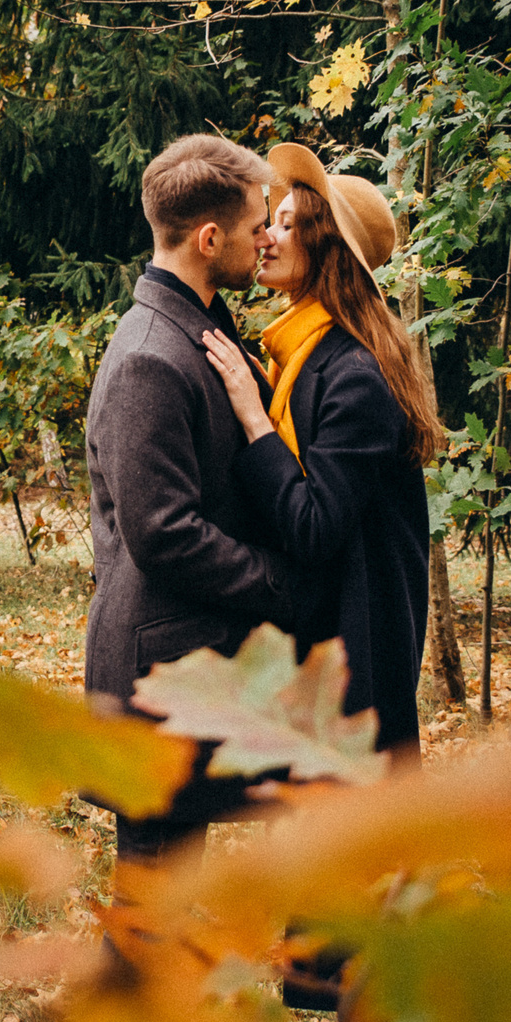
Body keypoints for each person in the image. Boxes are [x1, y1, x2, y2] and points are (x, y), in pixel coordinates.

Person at [82, 132, 296, 861]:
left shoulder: (194, 328)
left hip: (189, 669)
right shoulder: (149, 355)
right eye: (256, 225)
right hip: (157, 679)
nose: (266, 238)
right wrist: (284, 581)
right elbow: (163, 532)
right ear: (209, 239)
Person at [199, 143, 438, 761]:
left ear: (326, 248)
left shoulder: (356, 374)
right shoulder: (303, 355)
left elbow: (313, 526)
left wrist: (255, 420)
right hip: (323, 642)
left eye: (286, 225)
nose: (266, 238)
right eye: (270, 222)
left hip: (357, 654)